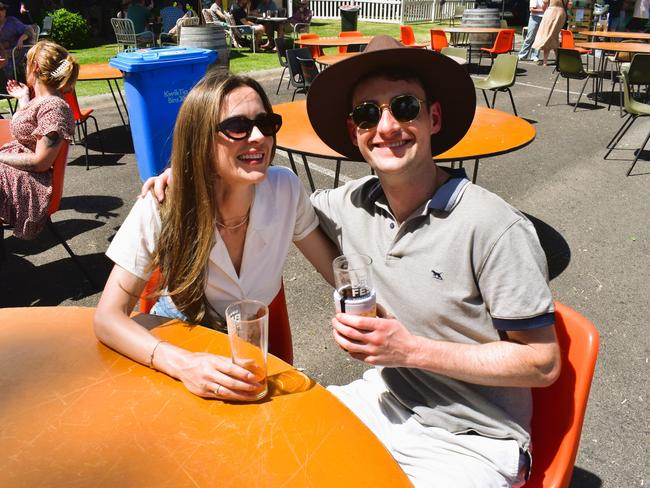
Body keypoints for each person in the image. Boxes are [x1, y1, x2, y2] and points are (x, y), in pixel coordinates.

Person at [142, 36, 561, 486]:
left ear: (433, 117)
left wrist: (411, 350)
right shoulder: (348, 206)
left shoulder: (493, 225)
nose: (386, 126)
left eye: (404, 106)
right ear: (354, 131)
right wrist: (196, 171)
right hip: (383, 399)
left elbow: (543, 362)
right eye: (367, 113)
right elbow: (265, 193)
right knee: (263, 454)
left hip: (471, 440)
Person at [94, 70, 337, 402]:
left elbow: (336, 270)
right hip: (182, 342)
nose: (258, 137)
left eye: (266, 124)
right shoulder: (164, 203)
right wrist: (183, 364)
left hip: (249, 349)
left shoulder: (285, 188)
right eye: (237, 127)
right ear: (200, 139)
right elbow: (108, 317)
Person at [0, 40, 77, 240]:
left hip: (33, 181)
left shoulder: (55, 108)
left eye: (26, 62)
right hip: (16, 169)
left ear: (34, 66)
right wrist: (24, 98)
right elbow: (28, 130)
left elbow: (41, 162)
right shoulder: (41, 101)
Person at [532, 0, 571, 66]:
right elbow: (569, 5)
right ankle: (558, 60)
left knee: (547, 35)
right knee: (554, 36)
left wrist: (546, 11)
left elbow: (544, 3)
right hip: (561, 13)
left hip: (551, 13)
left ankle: (545, 61)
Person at [0, 2, 31, 76]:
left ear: (5, 11)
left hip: (15, 52)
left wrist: (21, 40)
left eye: (1, 9)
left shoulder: (12, 21)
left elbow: (29, 30)